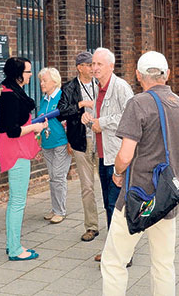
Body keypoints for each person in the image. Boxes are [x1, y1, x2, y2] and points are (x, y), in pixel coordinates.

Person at [100, 51, 179, 295]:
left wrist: (118, 173)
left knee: (114, 261)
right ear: (167, 75)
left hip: (137, 196)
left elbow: (124, 155)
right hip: (166, 200)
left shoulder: (138, 103)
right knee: (163, 264)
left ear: (138, 76)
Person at [84, 47, 134, 262]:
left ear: (111, 67)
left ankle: (123, 253)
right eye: (92, 64)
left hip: (117, 156)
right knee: (108, 204)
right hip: (102, 155)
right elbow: (99, 117)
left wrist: (100, 123)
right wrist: (89, 118)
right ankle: (114, 248)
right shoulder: (97, 88)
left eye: (99, 64)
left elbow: (129, 116)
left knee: (118, 205)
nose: (94, 68)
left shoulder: (121, 87)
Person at [0, 57, 47, 261]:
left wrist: (36, 125)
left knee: (14, 202)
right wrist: (36, 127)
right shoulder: (10, 96)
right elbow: (12, 131)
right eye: (27, 71)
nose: (30, 75)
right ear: (17, 74)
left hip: (16, 151)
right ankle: (16, 250)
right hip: (15, 152)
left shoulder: (12, 93)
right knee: (18, 202)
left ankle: (12, 244)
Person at [57, 51, 100, 241]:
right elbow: (61, 112)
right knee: (87, 186)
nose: (93, 69)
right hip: (81, 141)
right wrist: (81, 103)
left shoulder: (101, 84)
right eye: (90, 65)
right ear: (80, 67)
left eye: (94, 65)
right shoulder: (69, 87)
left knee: (110, 183)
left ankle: (116, 224)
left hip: (101, 139)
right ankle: (91, 226)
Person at [37, 67, 70, 224]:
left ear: (54, 82)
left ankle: (60, 211)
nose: (41, 83)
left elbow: (69, 121)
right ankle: (55, 208)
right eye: (41, 80)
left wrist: (70, 142)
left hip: (61, 142)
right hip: (47, 143)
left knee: (58, 176)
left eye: (44, 80)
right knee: (53, 177)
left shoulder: (62, 98)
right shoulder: (44, 99)